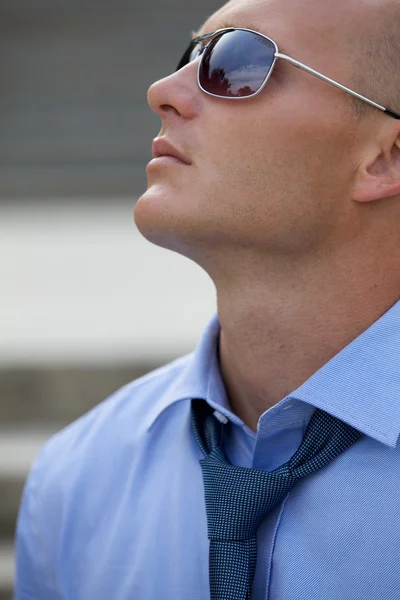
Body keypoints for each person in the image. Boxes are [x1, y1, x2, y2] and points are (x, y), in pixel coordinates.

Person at [15, 0, 400, 598]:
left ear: (385, 157)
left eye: (239, 61)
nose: (161, 91)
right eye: (190, 56)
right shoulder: (78, 479)